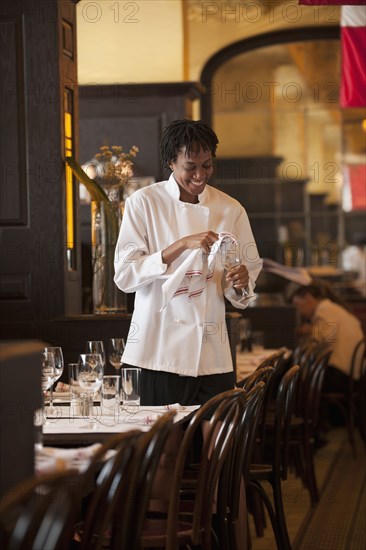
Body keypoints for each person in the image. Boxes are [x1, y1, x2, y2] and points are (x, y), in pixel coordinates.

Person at [114, 119, 262, 407]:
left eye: (207, 165)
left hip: (213, 354)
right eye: (190, 166)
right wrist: (180, 246)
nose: (200, 175)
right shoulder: (143, 203)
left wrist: (240, 282)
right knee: (167, 449)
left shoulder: (230, 209)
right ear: (171, 162)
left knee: (219, 445)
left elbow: (243, 283)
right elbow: (125, 275)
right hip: (158, 351)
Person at [291, 283, 364, 398]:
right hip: (355, 374)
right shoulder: (334, 309)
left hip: (340, 376)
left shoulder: (323, 310)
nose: (299, 311)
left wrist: (306, 332)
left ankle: (302, 415)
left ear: (308, 298)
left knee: (294, 381)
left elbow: (321, 340)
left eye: (298, 305)